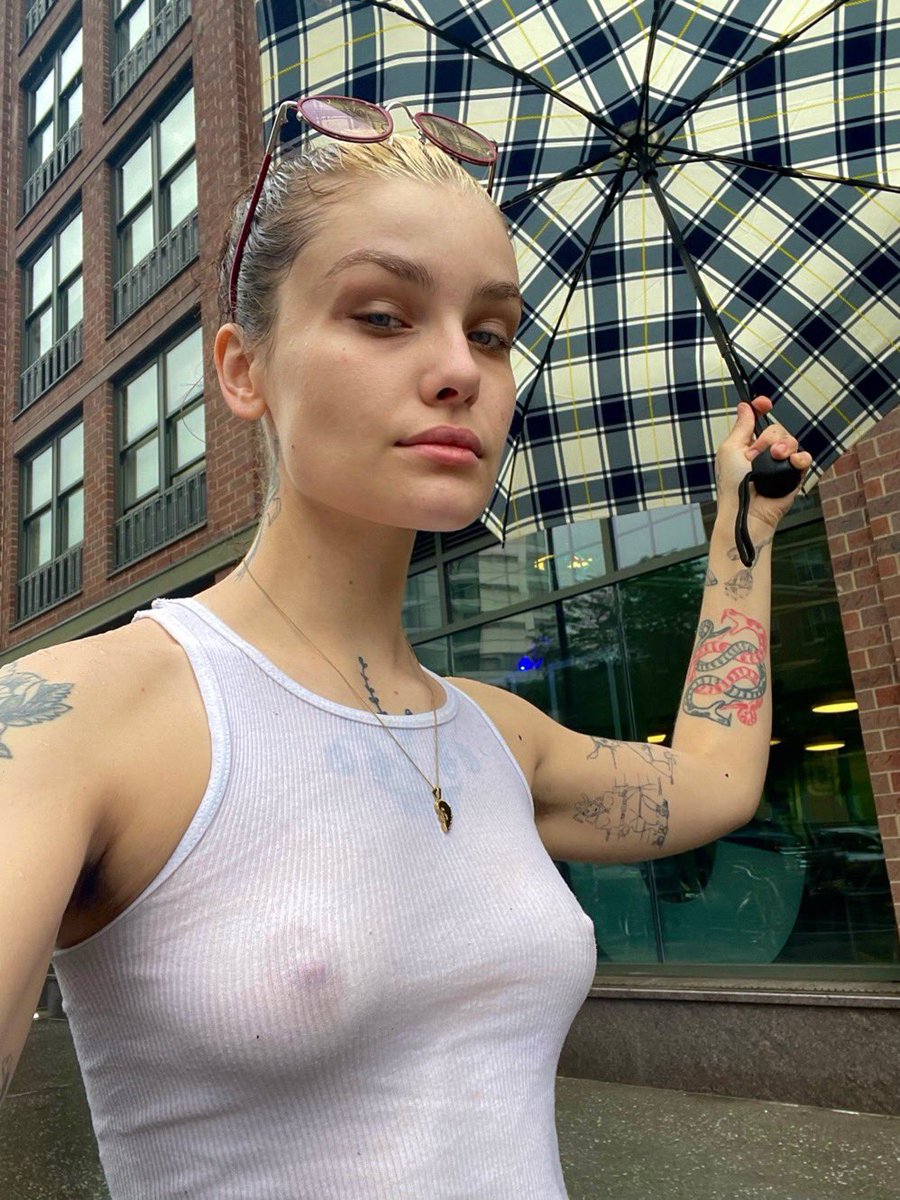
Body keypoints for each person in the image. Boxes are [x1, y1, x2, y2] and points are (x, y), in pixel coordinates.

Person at [0, 107, 812, 1199]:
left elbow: (713, 779)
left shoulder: (496, 738)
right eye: (383, 316)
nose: (458, 369)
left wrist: (742, 537)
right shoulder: (77, 717)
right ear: (243, 370)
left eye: (492, 332)